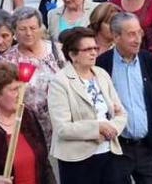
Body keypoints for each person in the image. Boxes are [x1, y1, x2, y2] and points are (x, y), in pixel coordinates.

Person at [95, 12, 152, 183]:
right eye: (131, 34)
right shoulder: (103, 64)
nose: (137, 39)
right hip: (118, 149)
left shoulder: (148, 60)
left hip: (148, 147)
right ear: (115, 36)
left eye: (139, 32)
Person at [47, 27, 127, 183]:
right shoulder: (60, 82)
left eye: (95, 48)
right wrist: (98, 128)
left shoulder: (101, 74)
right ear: (72, 55)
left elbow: (121, 113)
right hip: (77, 159)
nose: (94, 53)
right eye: (88, 49)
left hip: (109, 152)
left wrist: (112, 129)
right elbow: (63, 128)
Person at [4, 7, 65, 144]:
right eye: (22, 29)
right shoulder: (8, 60)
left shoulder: (59, 51)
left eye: (33, 28)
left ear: (41, 28)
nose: (28, 33)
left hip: (61, 128)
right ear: (14, 31)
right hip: (27, 130)